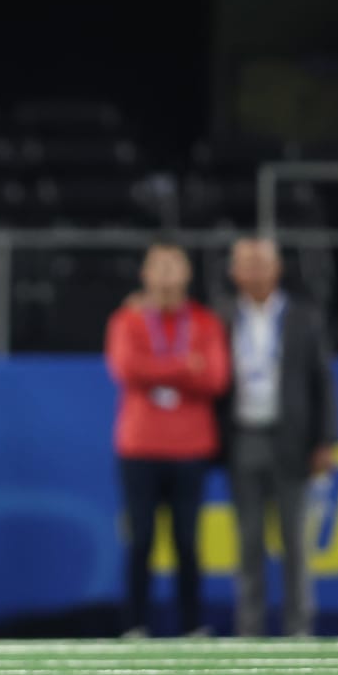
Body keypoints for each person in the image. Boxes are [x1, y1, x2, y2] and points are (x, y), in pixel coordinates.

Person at [105, 243, 229, 638]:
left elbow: (215, 378)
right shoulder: (127, 321)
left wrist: (159, 370)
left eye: (172, 267)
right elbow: (127, 368)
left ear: (187, 275)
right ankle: (134, 625)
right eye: (157, 267)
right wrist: (182, 365)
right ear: (145, 274)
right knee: (140, 539)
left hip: (190, 447)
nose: (164, 275)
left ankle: (192, 625)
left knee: (187, 542)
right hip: (140, 446)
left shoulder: (206, 323)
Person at [220, 236, 338, 638]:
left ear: (277, 268)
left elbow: (323, 382)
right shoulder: (219, 318)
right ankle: (248, 631)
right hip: (243, 437)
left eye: (261, 262)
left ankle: (299, 630)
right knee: (248, 543)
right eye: (246, 263)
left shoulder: (303, 317)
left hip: (292, 440)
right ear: (234, 271)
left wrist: (326, 440)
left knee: (295, 543)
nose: (254, 270)